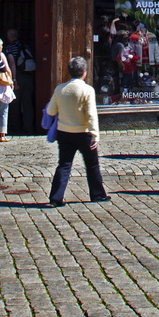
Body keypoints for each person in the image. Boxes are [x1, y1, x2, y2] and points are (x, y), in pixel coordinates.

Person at [46, 56, 109, 206]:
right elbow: (91, 114)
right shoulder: (87, 90)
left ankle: (55, 198)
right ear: (84, 72)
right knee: (92, 164)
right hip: (84, 132)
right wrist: (95, 134)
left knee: (64, 164)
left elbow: (51, 110)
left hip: (64, 131)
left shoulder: (60, 89)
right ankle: (97, 194)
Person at [0, 36, 15, 141]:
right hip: (2, 85)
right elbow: (7, 69)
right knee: (3, 110)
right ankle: (2, 135)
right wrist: (11, 81)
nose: (2, 47)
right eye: (1, 45)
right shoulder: (1, 55)